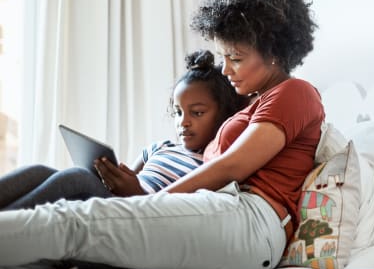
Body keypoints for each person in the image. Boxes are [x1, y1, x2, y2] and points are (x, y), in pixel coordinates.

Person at [0, 0, 324, 269]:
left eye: (236, 58)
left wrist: (151, 203)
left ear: (273, 53)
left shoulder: (295, 92)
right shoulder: (252, 104)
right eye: (223, 56)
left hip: (252, 220)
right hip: (222, 210)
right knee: (60, 250)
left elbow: (233, 165)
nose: (226, 69)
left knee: (72, 222)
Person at [0, 50, 245, 209]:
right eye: (178, 112)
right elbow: (123, 180)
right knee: (38, 170)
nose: (184, 122)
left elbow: (182, 207)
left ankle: (7, 226)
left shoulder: (211, 165)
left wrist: (136, 192)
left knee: (77, 177)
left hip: (135, 211)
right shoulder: (160, 148)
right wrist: (110, 175)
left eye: (197, 113)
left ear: (224, 114)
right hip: (112, 200)